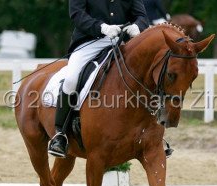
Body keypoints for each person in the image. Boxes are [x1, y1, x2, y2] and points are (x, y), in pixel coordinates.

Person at [48, 0, 149, 158]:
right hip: (90, 41)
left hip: (123, 43)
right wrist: (101, 27)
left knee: (149, 73)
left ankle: (153, 134)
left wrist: (138, 26)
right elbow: (77, 14)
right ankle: (60, 134)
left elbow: (142, 16)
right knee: (71, 79)